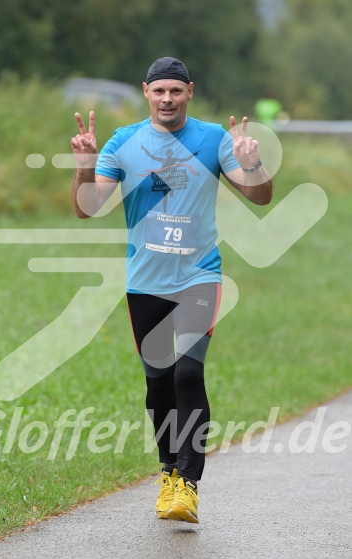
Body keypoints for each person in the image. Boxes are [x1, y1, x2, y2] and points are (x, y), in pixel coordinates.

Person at [71, 57, 273, 524]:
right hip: (145, 281)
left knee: (187, 374)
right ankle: (168, 470)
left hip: (199, 276)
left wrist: (254, 165)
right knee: (158, 383)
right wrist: (83, 167)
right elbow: (87, 207)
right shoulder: (123, 143)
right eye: (159, 91)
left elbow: (259, 196)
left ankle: (187, 481)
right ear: (146, 92)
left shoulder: (212, 140)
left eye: (176, 92)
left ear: (190, 92)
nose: (167, 99)